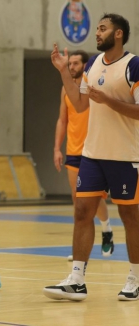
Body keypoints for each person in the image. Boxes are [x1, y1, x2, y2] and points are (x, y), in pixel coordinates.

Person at [44, 13, 139, 302]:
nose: (97, 33)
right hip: (93, 154)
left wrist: (107, 100)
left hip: (125, 155)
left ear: (118, 33)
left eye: (102, 28)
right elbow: (81, 103)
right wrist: (63, 71)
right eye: (97, 28)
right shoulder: (93, 64)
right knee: (82, 211)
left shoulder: (133, 65)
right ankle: (76, 279)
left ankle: (135, 278)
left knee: (130, 216)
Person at [53, 49, 114, 262]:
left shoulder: (94, 87)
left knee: (93, 198)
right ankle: (79, 247)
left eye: (76, 63)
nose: (72, 67)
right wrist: (56, 148)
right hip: (73, 149)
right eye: (69, 64)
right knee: (78, 201)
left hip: (94, 149)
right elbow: (62, 119)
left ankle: (107, 230)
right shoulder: (65, 90)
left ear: (85, 65)